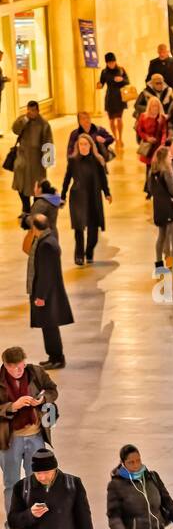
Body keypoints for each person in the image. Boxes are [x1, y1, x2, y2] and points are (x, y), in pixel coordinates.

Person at [1, 347, 57, 529]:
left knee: (38, 481)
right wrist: (11, 407)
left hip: (35, 437)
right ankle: (13, 527)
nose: (18, 370)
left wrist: (43, 399)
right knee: (12, 484)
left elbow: (52, 390)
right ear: (5, 365)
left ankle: (39, 523)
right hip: (10, 441)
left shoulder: (36, 372)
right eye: (12, 366)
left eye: (20, 365)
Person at [27, 216, 71, 370]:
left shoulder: (46, 245)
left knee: (50, 326)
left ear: (35, 227)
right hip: (49, 292)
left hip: (47, 294)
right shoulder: (48, 239)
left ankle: (57, 358)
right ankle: (53, 356)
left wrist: (41, 296)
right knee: (48, 326)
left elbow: (46, 273)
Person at [60, 134, 111, 267]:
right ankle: (78, 255)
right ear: (78, 146)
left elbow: (102, 179)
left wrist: (107, 193)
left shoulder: (97, 160)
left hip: (93, 197)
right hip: (78, 197)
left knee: (93, 231)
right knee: (78, 227)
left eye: (85, 144)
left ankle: (89, 251)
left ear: (90, 145)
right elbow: (67, 179)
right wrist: (62, 196)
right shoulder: (73, 160)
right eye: (80, 144)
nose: (83, 146)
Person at [147, 145, 173, 276]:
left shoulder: (152, 171)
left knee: (161, 237)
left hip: (158, 207)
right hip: (170, 207)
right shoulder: (167, 171)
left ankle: (159, 265)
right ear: (164, 158)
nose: (171, 158)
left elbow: (150, 189)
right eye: (169, 156)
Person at [11, 101, 53, 213]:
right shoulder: (23, 120)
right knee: (21, 185)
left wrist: (47, 160)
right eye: (29, 110)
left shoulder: (44, 124)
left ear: (38, 111)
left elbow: (48, 143)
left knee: (37, 187)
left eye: (33, 110)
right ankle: (25, 207)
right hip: (22, 159)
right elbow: (15, 129)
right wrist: (25, 119)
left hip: (37, 161)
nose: (31, 113)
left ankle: (36, 208)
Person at [97, 55, 130, 150]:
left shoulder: (121, 70)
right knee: (111, 120)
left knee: (119, 119)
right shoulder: (104, 72)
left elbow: (127, 82)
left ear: (115, 61)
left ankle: (120, 137)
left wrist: (122, 80)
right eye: (109, 63)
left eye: (113, 62)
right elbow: (101, 83)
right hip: (110, 97)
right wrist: (99, 85)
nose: (111, 64)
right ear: (106, 63)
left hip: (120, 97)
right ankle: (116, 138)